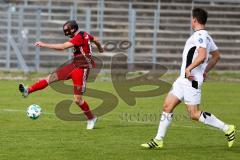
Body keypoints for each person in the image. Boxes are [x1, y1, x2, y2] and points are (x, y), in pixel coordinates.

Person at [141, 8, 235, 149]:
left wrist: (190, 69)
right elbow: (217, 56)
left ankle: (227, 128)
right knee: (167, 106)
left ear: (195, 20)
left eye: (191, 19)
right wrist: (205, 71)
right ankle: (158, 139)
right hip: (183, 79)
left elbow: (202, 55)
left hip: (192, 80)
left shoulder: (200, 35)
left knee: (194, 114)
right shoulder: (206, 36)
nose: (191, 21)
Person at [19, 20, 104, 129]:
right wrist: (100, 48)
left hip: (82, 69)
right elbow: (95, 39)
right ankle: (27, 91)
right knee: (50, 78)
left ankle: (91, 118)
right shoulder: (84, 34)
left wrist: (44, 44)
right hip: (73, 66)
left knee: (77, 100)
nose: (66, 32)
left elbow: (63, 47)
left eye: (67, 30)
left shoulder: (80, 36)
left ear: (73, 29)